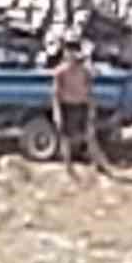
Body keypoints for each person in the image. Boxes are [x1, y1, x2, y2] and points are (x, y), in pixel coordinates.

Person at [52, 38, 105, 175]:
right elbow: (55, 94)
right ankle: (68, 168)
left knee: (89, 136)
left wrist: (92, 109)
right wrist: (56, 113)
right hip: (67, 107)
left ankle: (99, 164)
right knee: (66, 139)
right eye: (68, 52)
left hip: (82, 106)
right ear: (65, 54)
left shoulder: (85, 71)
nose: (71, 55)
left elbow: (90, 91)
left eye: (74, 52)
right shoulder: (60, 72)